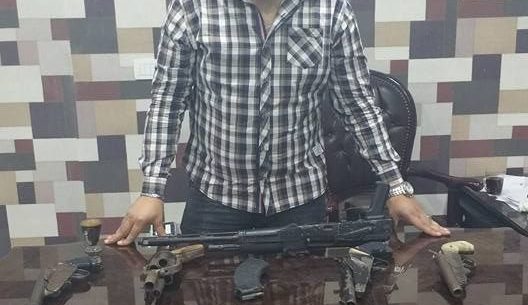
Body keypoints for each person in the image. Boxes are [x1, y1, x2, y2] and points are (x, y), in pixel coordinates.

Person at [105, 0, 450, 246]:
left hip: (300, 201)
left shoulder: (330, 10)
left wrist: (395, 185)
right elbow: (168, 100)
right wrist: (152, 189)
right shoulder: (193, 8)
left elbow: (357, 103)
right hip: (215, 199)